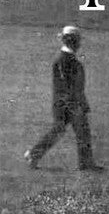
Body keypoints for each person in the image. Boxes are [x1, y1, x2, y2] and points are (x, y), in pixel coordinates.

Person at [24, 26, 103, 171]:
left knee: (61, 131)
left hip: (65, 103)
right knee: (79, 133)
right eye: (77, 41)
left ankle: (34, 154)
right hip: (70, 104)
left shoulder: (65, 60)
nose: (79, 44)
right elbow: (69, 86)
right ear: (72, 41)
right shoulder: (65, 61)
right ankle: (85, 164)